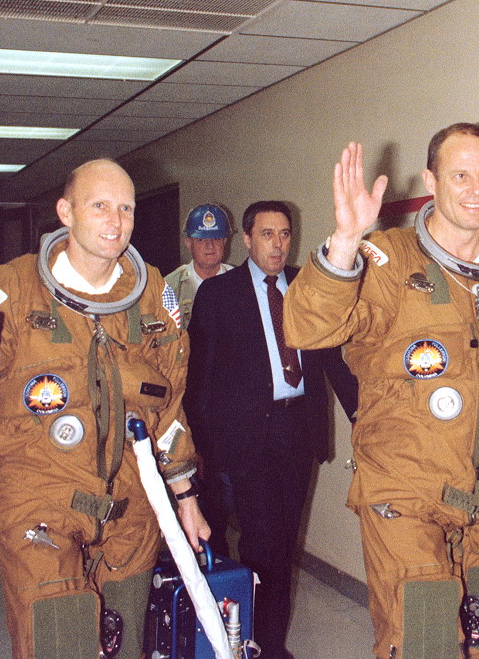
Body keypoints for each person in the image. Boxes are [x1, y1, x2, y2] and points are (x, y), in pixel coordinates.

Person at [0, 159, 210, 659]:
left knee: (126, 643)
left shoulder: (151, 293)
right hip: (37, 499)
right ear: (66, 212)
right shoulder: (12, 290)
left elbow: (168, 406)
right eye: (100, 206)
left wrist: (185, 496)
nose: (116, 221)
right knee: (61, 640)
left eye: (126, 208)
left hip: (130, 504)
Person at [283, 125, 479, 659]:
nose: (475, 189)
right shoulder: (387, 261)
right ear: (431, 181)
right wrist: (345, 240)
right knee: (426, 644)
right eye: (460, 175)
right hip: (405, 493)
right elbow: (306, 328)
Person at [186, 200, 358, 659]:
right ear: (246, 239)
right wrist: (199, 446)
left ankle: (268, 641)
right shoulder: (219, 294)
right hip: (246, 438)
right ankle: (261, 644)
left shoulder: (306, 286)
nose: (278, 245)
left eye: (284, 234)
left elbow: (333, 360)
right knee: (262, 543)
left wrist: (363, 417)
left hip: (297, 431)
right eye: (267, 234)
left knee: (282, 543)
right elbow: (199, 377)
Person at [163, 203, 234, 330]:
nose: (210, 246)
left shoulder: (241, 281)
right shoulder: (169, 287)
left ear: (225, 241)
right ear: (188, 243)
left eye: (216, 238)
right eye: (201, 239)